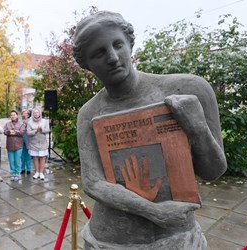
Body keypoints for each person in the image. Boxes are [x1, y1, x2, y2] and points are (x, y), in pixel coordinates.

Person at [73, 11, 227, 249]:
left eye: (117, 45)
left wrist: (197, 128)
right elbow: (93, 182)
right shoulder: (89, 113)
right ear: (88, 65)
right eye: (99, 53)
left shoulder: (188, 88)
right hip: (109, 238)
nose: (113, 57)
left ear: (130, 44)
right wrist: (154, 211)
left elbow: (214, 171)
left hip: (175, 237)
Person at [27, 108, 50, 181]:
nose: (36, 114)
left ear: (40, 113)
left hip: (42, 143)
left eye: (37, 112)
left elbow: (48, 130)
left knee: (42, 157)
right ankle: (37, 172)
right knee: (35, 158)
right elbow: (28, 133)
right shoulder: (30, 122)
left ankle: (41, 173)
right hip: (34, 143)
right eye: (35, 113)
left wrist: (42, 129)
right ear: (33, 114)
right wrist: (35, 130)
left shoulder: (44, 121)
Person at [4, 110, 25, 181]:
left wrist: (15, 132)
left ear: (17, 115)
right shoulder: (7, 124)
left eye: (14, 115)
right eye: (11, 115)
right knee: (11, 160)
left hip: (18, 145)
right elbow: (4, 131)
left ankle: (17, 173)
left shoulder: (21, 123)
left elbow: (22, 132)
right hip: (10, 145)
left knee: (17, 160)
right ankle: (13, 173)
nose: (13, 116)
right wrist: (9, 132)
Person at [20, 109, 32, 175]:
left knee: (28, 155)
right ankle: (22, 169)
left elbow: (32, 128)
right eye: (23, 113)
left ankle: (29, 168)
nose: (25, 114)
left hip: (28, 140)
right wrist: (22, 124)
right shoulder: (20, 121)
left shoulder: (30, 121)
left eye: (26, 113)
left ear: (28, 114)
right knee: (22, 155)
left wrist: (27, 124)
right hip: (21, 140)